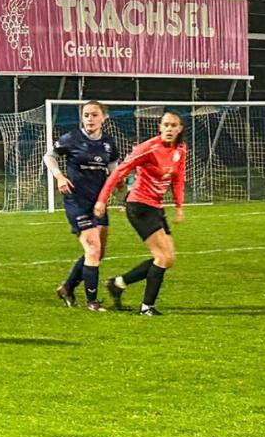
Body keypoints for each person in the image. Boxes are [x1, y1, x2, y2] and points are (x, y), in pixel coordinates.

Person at [95, 111, 187, 316]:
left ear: (180, 128)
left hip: (156, 207)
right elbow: (119, 172)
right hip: (139, 206)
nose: (169, 129)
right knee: (162, 257)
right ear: (160, 127)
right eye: (166, 125)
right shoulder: (148, 148)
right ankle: (147, 307)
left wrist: (179, 206)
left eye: (173, 125)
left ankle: (119, 283)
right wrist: (102, 199)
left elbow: (178, 178)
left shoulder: (180, 149)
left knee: (169, 259)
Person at [43, 100, 120, 312]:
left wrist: (118, 181)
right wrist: (59, 177)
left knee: (97, 253)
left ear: (104, 118)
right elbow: (49, 156)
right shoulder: (72, 138)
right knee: (93, 249)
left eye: (94, 115)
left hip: (99, 202)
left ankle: (67, 287)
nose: (90, 119)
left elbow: (113, 166)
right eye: (86, 115)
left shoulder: (108, 143)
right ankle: (92, 302)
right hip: (77, 201)